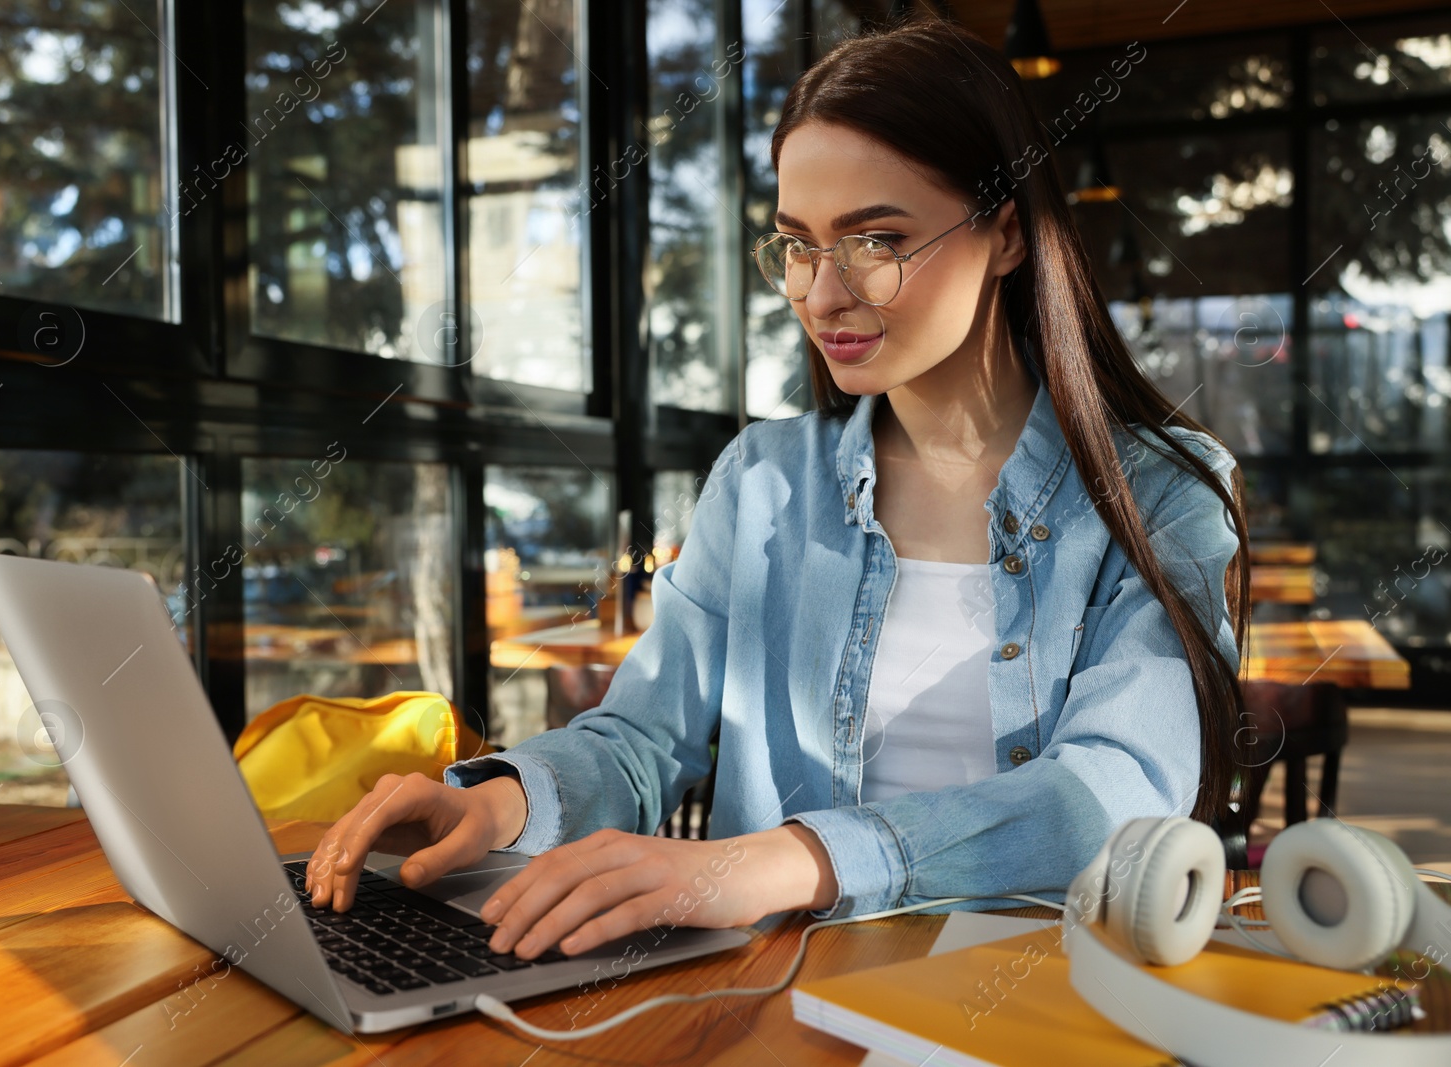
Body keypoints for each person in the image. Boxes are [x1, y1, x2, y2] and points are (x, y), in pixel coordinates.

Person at [305, 16, 1249, 966]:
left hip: (1036, 1003)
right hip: (773, 1007)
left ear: (1006, 232)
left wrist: (790, 860)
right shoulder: (762, 482)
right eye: (798, 245)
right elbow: (642, 735)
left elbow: (1114, 790)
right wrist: (495, 800)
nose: (821, 295)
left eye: (875, 241)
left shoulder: (1163, 491)